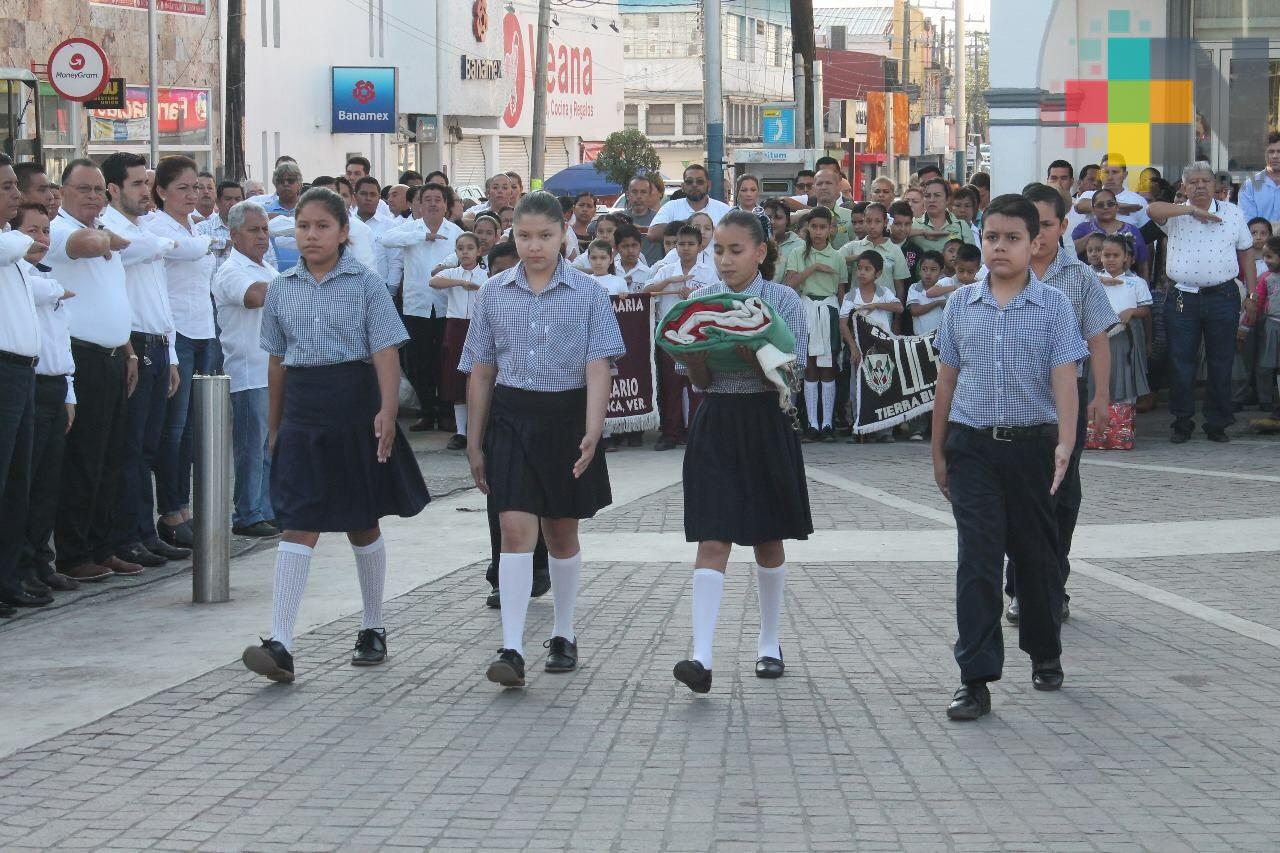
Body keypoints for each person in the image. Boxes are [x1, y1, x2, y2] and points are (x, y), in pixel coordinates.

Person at [241, 188, 429, 684]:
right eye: (303, 226)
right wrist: (275, 425)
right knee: (298, 520)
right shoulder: (281, 288)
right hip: (304, 409)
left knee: (361, 521)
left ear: (343, 232)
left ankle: (373, 626)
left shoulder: (366, 284)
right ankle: (281, 642)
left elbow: (386, 350)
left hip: (355, 406)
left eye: (322, 226)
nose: (311, 236)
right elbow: (276, 360)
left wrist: (388, 409)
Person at [932, 193, 1088, 721]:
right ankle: (974, 679)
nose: (1000, 247)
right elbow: (947, 382)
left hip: (1032, 449)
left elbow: (1064, 379)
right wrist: (938, 451)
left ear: (1034, 242)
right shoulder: (961, 304)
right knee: (977, 561)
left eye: (1012, 238)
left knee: (1035, 557)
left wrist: (1065, 442)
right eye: (992, 237)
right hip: (971, 447)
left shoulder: (1053, 305)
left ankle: (1045, 651)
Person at [460, 191, 626, 688]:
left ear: (564, 235)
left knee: (561, 532)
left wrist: (593, 429)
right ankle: (511, 646)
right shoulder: (493, 292)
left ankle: (563, 633)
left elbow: (599, 365)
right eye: (525, 236)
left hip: (566, 420)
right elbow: (482, 370)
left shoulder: (588, 291)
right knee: (514, 529)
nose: (534, 246)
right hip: (510, 419)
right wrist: (473, 440)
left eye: (545, 236)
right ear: (512, 235)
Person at [669, 209, 811, 694]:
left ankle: (769, 644)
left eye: (735, 250)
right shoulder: (701, 301)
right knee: (713, 536)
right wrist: (695, 359)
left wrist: (758, 356)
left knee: (768, 538)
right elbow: (699, 381)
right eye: (718, 250)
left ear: (760, 252)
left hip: (767, 421)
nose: (725, 260)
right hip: (717, 421)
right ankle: (701, 656)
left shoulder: (783, 300)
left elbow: (793, 377)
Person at [1003, 184, 1118, 625]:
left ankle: (1052, 585)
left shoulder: (1081, 277)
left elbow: (1099, 340)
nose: (1037, 233)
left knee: (1062, 495)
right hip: (1014, 401)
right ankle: (1020, 587)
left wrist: (1102, 397)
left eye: (1046, 224)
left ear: (1063, 226)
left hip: (1067, 401)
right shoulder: (1000, 274)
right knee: (1019, 495)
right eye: (1029, 225)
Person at [46, 160, 139, 584]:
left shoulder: (102, 229)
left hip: (114, 356)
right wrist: (109, 238)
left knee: (111, 459)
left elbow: (113, 295)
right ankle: (74, 552)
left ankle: (103, 546)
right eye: (83, 189)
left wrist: (129, 350)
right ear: (62, 191)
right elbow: (84, 244)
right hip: (80, 358)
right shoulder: (58, 230)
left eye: (98, 190)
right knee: (83, 460)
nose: (92, 197)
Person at [98, 153, 186, 569]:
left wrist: (171, 354)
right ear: (113, 189)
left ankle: (145, 534)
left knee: (147, 449)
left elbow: (159, 296)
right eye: (136, 184)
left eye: (146, 183)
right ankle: (127, 537)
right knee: (129, 450)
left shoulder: (143, 229)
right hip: (132, 344)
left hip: (157, 344)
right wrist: (166, 243)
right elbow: (142, 251)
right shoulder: (109, 230)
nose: (145, 192)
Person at [1148, 162, 1258, 442]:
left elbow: (1246, 252)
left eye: (1205, 181)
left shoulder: (1233, 213)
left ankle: (1217, 423)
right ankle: (1182, 422)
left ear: (1215, 185)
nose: (1199, 186)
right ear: (1184, 187)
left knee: (1221, 361)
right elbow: (1152, 210)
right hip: (1183, 297)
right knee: (1181, 360)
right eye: (1193, 182)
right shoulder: (1176, 213)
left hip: (1223, 296)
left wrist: (1252, 293)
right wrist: (1191, 210)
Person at [145, 157, 218, 550]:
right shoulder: (157, 227)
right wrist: (207, 242)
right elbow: (188, 253)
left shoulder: (196, 226)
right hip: (177, 333)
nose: (193, 195)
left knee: (191, 429)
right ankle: (169, 511)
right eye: (183, 188)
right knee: (173, 429)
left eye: (197, 187)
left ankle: (185, 508)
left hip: (203, 329)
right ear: (161, 191)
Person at [9, 203, 79, 597]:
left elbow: (61, 340)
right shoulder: (15, 273)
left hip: (55, 385)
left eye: (45, 231)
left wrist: (69, 391)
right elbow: (41, 292)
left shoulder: (44, 276)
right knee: (25, 484)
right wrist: (56, 289)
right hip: (29, 386)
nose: (40, 239)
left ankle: (39, 560)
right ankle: (19, 567)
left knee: (47, 484)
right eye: (31, 231)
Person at [477, 241, 550, 609]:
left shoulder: (549, 304)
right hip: (500, 415)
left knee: (540, 501)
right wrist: (473, 438)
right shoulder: (490, 301)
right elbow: (479, 371)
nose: (505, 278)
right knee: (502, 502)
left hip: (546, 414)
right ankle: (502, 574)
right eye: (497, 272)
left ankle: (539, 567)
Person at [212, 201, 279, 538]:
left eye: (265, 229)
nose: (262, 236)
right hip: (249, 371)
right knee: (251, 447)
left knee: (270, 446)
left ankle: (266, 509)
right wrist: (299, 283)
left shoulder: (269, 269)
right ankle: (247, 513)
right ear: (234, 234)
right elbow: (254, 297)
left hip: (274, 370)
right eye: (254, 230)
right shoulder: (230, 270)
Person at [0, 157, 48, 612]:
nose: (17, 194)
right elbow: (21, 243)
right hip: (3, 371)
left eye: (16, 185)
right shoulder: (9, 242)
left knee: (18, 482)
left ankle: (8, 578)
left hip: (21, 371)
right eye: (6, 187)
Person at [378, 182, 463, 432]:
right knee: (419, 361)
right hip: (417, 305)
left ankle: (446, 412)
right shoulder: (410, 229)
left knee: (445, 361)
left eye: (438, 199)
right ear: (419, 204)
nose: (433, 204)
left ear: (446, 205)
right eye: (428, 199)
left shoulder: (455, 232)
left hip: (447, 304)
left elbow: (465, 255)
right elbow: (386, 240)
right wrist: (423, 236)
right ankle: (426, 411)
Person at [646, 225, 719, 450]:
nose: (685, 248)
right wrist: (669, 282)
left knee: (697, 385)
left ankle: (696, 432)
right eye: (681, 244)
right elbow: (647, 292)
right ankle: (671, 433)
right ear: (675, 246)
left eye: (690, 244)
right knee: (671, 385)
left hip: (698, 334)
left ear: (700, 246)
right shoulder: (666, 269)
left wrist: (694, 296)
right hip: (669, 334)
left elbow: (716, 300)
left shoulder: (708, 272)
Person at [783, 206, 847, 441]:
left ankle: (827, 424)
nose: (818, 232)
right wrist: (814, 267)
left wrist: (843, 322)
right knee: (810, 367)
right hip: (806, 308)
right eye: (814, 227)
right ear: (807, 228)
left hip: (829, 310)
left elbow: (841, 292)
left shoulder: (837, 257)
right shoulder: (797, 253)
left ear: (831, 229)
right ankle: (812, 423)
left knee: (827, 367)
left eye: (823, 227)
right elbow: (790, 284)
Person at [430, 232, 487, 451]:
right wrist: (461, 282)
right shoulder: (452, 273)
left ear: (479, 251)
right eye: (460, 248)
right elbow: (433, 281)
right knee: (455, 378)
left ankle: (477, 430)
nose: (465, 252)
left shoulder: (486, 275)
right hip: (455, 327)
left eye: (470, 248)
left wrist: (476, 286)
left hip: (477, 326)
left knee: (477, 376)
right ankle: (461, 432)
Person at [838, 203, 909, 330]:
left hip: (885, 311)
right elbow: (834, 260)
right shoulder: (854, 246)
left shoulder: (895, 250)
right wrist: (858, 258)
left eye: (877, 221)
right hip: (857, 309)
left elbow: (900, 287)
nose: (872, 226)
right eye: (868, 221)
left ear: (885, 222)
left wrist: (897, 321)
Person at [1070, 188, 1149, 279]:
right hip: (1091, 282)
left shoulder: (1132, 230)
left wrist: (1145, 285)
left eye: (1110, 204)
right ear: (1093, 209)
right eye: (1100, 205)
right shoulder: (1083, 229)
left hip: (1127, 283)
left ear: (1116, 207)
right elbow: (1069, 253)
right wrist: (1092, 237)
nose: (1106, 207)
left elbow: (1143, 265)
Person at [646, 164, 732, 244]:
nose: (694, 185)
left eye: (699, 181)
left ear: (709, 185)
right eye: (689, 182)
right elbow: (652, 234)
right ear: (683, 186)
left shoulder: (724, 211)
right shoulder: (671, 207)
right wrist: (688, 223)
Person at [354, 176, 403, 294]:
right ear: (355, 196)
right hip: (349, 287)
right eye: (363, 194)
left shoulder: (390, 226)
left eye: (373, 194)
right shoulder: (346, 224)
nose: (368, 198)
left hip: (380, 288)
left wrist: (391, 291)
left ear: (379, 198)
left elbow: (395, 261)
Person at [1074, 153, 1150, 228]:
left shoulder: (1139, 201)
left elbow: (1145, 233)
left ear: (1125, 175)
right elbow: (1078, 206)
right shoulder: (1089, 195)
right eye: (1106, 172)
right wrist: (1119, 206)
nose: (1110, 177)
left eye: (1115, 172)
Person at [912, 177, 978, 254]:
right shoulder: (914, 224)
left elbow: (972, 257)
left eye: (937, 195)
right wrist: (922, 232)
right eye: (927, 196)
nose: (931, 200)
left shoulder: (961, 225)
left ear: (948, 199)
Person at [1254, 235, 1280, 418]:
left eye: (1270, 256)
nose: (1265, 260)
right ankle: (1271, 403)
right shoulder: (1265, 278)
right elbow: (1257, 302)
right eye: (1264, 256)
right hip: (1272, 326)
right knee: (1272, 366)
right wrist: (1245, 326)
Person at [260, 161, 304, 270]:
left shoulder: (309, 210)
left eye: (290, 180)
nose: (286, 184)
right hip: (272, 272)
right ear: (275, 185)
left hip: (307, 271)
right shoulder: (263, 212)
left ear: (299, 184)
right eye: (280, 181)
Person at [195, 180, 244, 274]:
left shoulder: (255, 230)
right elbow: (195, 246)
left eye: (237, 199)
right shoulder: (203, 228)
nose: (233, 203)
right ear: (217, 202)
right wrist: (227, 243)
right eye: (228, 199)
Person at [907, 250, 949, 337]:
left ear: (941, 271)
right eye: (924, 269)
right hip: (920, 337)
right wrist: (936, 303)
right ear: (919, 270)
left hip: (942, 337)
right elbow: (914, 311)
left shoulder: (946, 287)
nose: (928, 273)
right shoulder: (914, 288)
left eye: (933, 269)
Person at [1239, 132, 1280, 222]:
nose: (1275, 156)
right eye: (1271, 152)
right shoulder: (1249, 186)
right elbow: (1249, 223)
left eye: (1279, 151)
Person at [614, 225, 650, 291]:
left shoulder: (648, 273)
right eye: (625, 246)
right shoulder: (610, 271)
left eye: (634, 245)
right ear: (616, 248)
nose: (630, 250)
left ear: (640, 246)